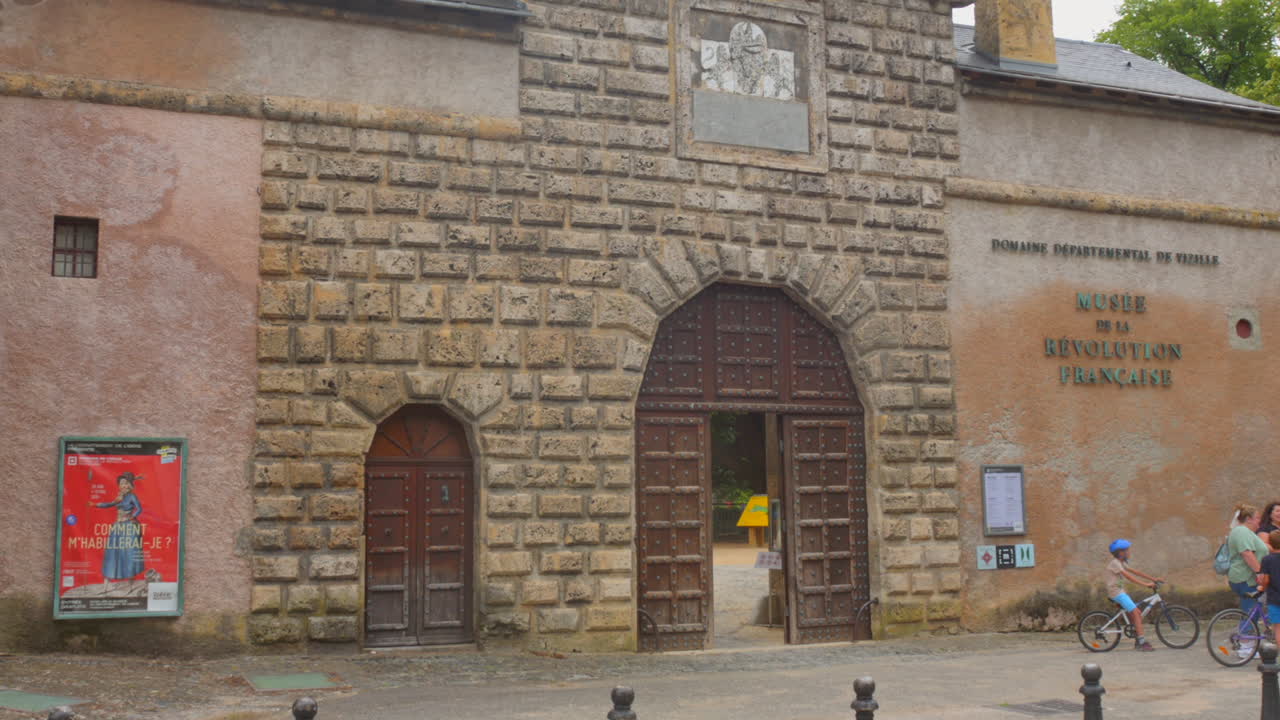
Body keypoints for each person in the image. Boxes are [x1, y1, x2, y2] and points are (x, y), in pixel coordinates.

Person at [1105, 538, 1163, 652]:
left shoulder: (1120, 563)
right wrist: (1145, 584)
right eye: (1127, 550)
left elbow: (1135, 572)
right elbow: (1128, 576)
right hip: (1117, 593)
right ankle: (1141, 643)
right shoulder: (1115, 563)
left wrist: (1154, 579)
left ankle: (1137, 638)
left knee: (1136, 613)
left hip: (1120, 592)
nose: (1129, 552)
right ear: (1121, 552)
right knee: (1136, 613)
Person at [88, 472, 146, 581]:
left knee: (129, 551)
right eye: (121, 483)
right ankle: (112, 576)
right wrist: (96, 504)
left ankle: (130, 577)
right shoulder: (119, 496)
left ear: (130, 485)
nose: (123, 485)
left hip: (129, 526)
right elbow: (110, 504)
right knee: (114, 550)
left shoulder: (132, 496)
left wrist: (132, 517)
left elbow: (139, 509)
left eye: (125, 483)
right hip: (118, 526)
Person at [1227, 503, 1270, 614]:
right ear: (1248, 519)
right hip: (1246, 579)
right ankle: (1246, 631)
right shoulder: (1242, 531)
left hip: (1247, 578)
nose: (1259, 521)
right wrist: (1260, 573)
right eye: (1257, 518)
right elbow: (1247, 553)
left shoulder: (1247, 532)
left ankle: (1247, 629)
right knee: (1251, 612)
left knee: (1252, 611)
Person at [1258, 531, 1280, 648]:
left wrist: (1262, 587)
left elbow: (1265, 580)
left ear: (1270, 544)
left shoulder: (1267, 559)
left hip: (1274, 598)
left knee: (1278, 628)